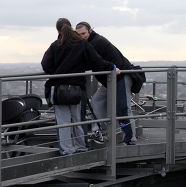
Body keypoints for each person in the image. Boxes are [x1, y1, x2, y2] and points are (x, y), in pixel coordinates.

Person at [41, 18, 117, 155]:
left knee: (63, 122)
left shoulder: (55, 45)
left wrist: (58, 70)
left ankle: (67, 150)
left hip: (58, 89)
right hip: (76, 88)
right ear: (71, 28)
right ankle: (81, 147)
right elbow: (97, 61)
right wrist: (112, 67)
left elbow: (46, 65)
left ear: (58, 30)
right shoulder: (81, 44)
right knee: (77, 120)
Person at [75, 21, 136, 145]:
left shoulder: (96, 42)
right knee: (97, 102)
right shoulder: (91, 42)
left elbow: (94, 61)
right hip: (110, 79)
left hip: (121, 76)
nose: (82, 36)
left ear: (90, 31)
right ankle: (110, 131)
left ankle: (130, 139)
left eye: (84, 33)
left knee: (123, 109)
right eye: (79, 34)